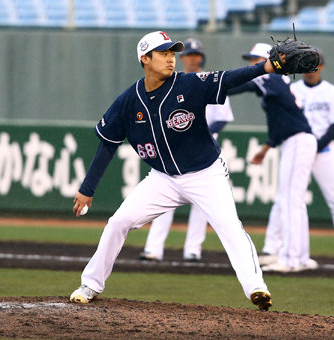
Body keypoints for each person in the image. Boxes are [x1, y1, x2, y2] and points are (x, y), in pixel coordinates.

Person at [68, 30, 293, 311]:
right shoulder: (128, 101)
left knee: (229, 227)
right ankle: (90, 284)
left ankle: (256, 288)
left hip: (205, 173)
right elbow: (107, 145)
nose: (170, 59)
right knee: (118, 222)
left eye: (172, 53)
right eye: (163, 53)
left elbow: (231, 77)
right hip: (162, 179)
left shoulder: (189, 84)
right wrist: (87, 189)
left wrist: (268, 66)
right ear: (145, 59)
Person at [139, 38, 234, 262]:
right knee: (164, 197)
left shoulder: (210, 81)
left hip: (205, 149)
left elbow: (223, 118)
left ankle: (193, 249)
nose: (192, 59)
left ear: (201, 58)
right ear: (183, 58)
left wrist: (200, 131)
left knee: (202, 203)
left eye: (196, 55)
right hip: (174, 147)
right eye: (189, 55)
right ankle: (154, 248)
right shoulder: (168, 82)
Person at [227, 43, 318, 273]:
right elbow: (281, 121)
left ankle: (290, 259)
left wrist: (209, 87)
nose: (252, 65)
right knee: (291, 200)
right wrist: (267, 147)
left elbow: (240, 84)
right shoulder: (277, 82)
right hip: (295, 140)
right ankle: (300, 256)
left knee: (290, 201)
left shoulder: (270, 78)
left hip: (298, 140)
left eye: (255, 59)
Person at [290, 52, 334, 266]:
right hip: (298, 151)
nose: (311, 69)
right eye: (307, 65)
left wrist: (316, 146)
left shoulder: (331, 92)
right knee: (292, 201)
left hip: (324, 152)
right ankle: (288, 250)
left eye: (315, 65)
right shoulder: (293, 90)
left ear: (322, 66)